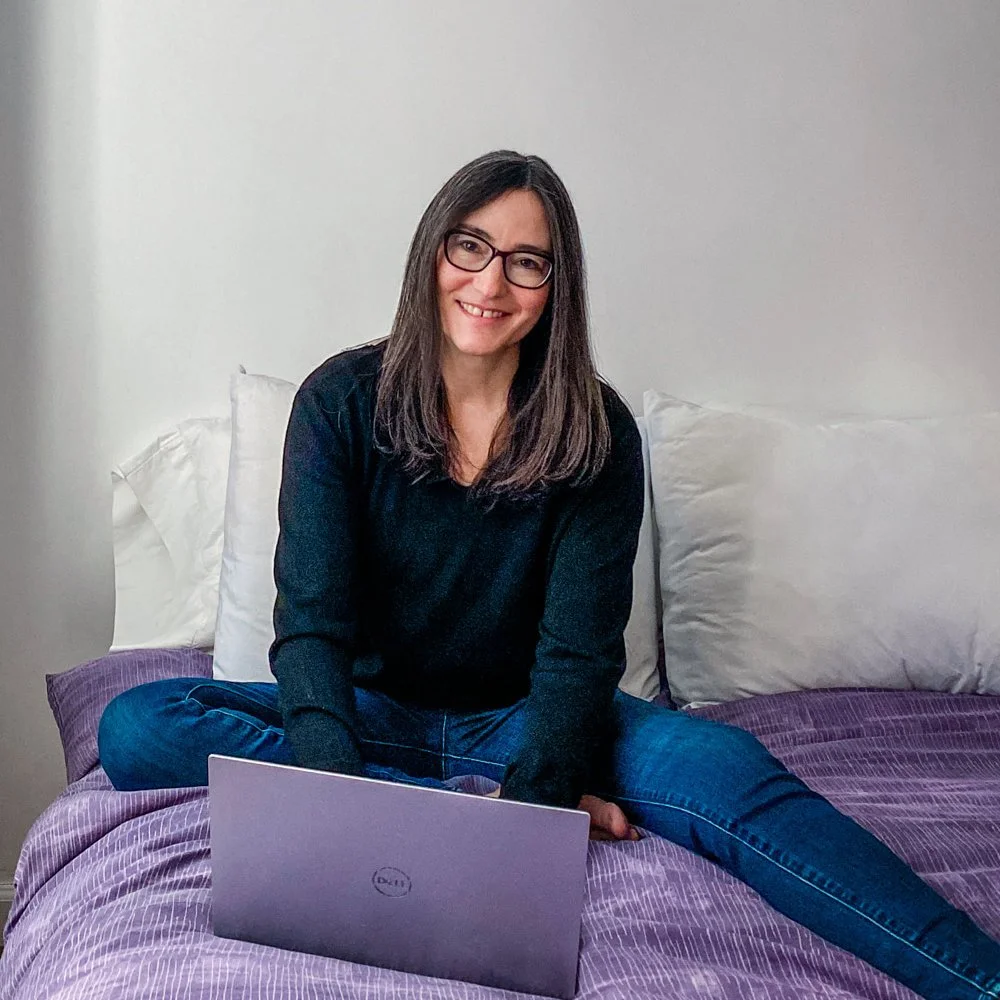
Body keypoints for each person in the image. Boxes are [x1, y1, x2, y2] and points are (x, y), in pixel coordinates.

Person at [98, 150, 1000, 1000]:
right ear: (432, 251)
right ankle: (443, 801)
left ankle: (982, 978)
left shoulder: (596, 433)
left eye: (527, 263)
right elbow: (312, 628)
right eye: (470, 247)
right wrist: (344, 793)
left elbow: (578, 656)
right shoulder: (339, 403)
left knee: (732, 769)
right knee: (139, 726)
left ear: (556, 287)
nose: (490, 284)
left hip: (529, 717)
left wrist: (533, 800)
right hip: (372, 714)